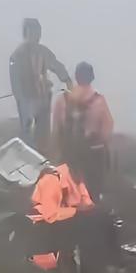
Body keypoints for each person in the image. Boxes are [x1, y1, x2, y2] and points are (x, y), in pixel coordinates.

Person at [52, 61, 114, 200]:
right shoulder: (98, 101)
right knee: (94, 190)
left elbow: (56, 128)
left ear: (76, 76)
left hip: (68, 153)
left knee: (67, 189)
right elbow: (107, 129)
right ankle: (95, 202)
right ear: (92, 77)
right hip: (92, 154)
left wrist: (58, 151)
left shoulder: (62, 100)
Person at [9, 18, 72, 148]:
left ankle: (43, 157)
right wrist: (20, 99)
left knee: (43, 132)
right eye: (33, 32)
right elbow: (14, 81)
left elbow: (56, 65)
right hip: (26, 99)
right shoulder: (17, 55)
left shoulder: (43, 51)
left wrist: (67, 80)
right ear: (26, 33)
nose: (37, 35)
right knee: (27, 131)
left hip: (43, 97)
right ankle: (28, 155)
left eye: (38, 32)